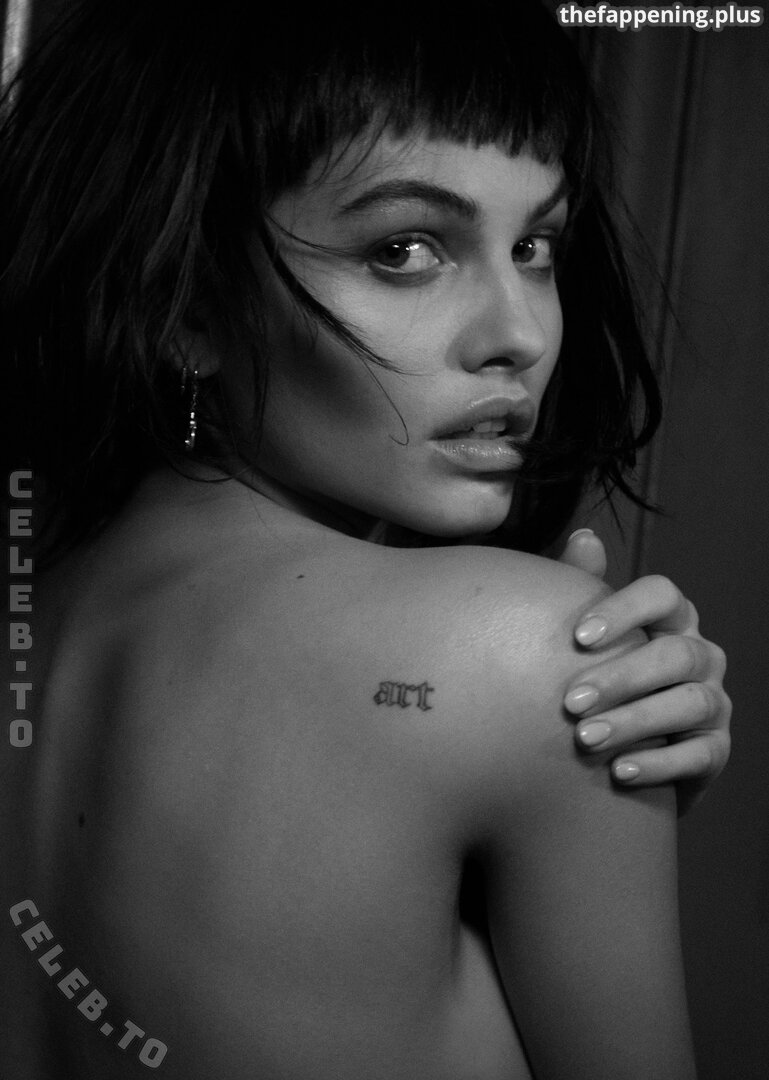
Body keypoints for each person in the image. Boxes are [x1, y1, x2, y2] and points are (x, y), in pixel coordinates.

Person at [0, 1, 730, 1077]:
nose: (519, 335)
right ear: (184, 305)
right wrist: (566, 743)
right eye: (405, 249)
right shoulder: (529, 654)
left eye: (535, 247)